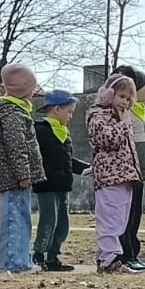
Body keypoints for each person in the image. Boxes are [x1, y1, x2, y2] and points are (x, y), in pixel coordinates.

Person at [0, 64, 45, 273]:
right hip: (14, 178)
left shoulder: (18, 112)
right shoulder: (12, 113)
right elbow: (16, 146)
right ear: (24, 90)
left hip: (18, 177)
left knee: (22, 218)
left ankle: (21, 259)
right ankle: (13, 262)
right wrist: (24, 173)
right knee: (14, 219)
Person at [86, 74, 143, 274]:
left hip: (124, 176)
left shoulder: (119, 117)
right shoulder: (98, 115)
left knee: (120, 219)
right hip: (110, 176)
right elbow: (108, 140)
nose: (125, 102)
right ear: (109, 94)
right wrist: (124, 124)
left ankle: (112, 257)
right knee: (109, 218)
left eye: (128, 99)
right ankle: (107, 258)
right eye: (121, 96)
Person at [33, 90, 89, 272]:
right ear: (57, 109)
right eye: (69, 111)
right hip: (46, 185)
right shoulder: (40, 131)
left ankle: (53, 256)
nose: (71, 116)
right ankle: (39, 255)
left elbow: (67, 159)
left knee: (63, 223)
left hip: (63, 186)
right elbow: (35, 157)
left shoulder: (64, 133)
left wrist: (85, 168)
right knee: (49, 220)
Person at [112, 63, 145, 271]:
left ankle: (133, 253)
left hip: (140, 170)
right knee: (127, 216)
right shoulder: (123, 112)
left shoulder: (140, 109)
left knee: (135, 215)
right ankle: (125, 254)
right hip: (128, 170)